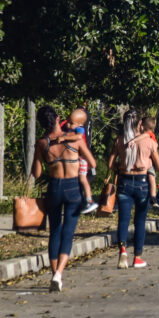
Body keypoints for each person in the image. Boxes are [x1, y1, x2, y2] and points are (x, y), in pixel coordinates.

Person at [32, 106, 96, 292]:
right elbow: (92, 163)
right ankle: (59, 273)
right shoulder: (75, 141)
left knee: (55, 231)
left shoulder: (42, 143)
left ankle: (53, 273)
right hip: (72, 188)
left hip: (54, 187)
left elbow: (36, 174)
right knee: (68, 232)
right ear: (58, 118)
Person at [107, 109, 159, 269]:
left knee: (123, 220)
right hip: (142, 183)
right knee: (140, 221)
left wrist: (120, 167)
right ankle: (137, 257)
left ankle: (122, 251)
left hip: (124, 182)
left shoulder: (119, 141)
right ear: (140, 124)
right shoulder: (149, 143)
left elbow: (110, 164)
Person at [59, 108, 99, 214]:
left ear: (80, 124)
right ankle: (83, 201)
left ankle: (89, 200)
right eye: (68, 121)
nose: (68, 125)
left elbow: (79, 137)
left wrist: (64, 138)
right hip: (77, 158)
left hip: (83, 159)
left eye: (71, 123)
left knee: (82, 178)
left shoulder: (80, 130)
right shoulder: (70, 127)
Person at [128, 116, 159, 207]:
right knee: (151, 178)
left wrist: (133, 140)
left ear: (142, 126)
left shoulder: (149, 134)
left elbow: (145, 135)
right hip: (147, 161)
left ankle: (153, 197)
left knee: (151, 177)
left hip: (149, 162)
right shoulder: (150, 134)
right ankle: (152, 197)